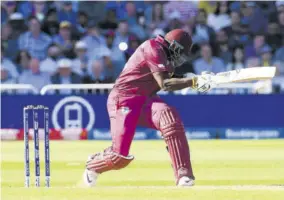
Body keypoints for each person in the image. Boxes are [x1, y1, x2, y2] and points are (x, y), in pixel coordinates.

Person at [82, 29, 215, 187]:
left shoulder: (166, 57)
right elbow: (165, 84)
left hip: (145, 100)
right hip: (124, 100)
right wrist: (193, 82)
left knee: (169, 117)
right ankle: (93, 165)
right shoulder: (152, 47)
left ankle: (183, 175)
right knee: (119, 158)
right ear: (175, 46)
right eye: (182, 52)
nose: (182, 58)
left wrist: (191, 79)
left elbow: (169, 79)